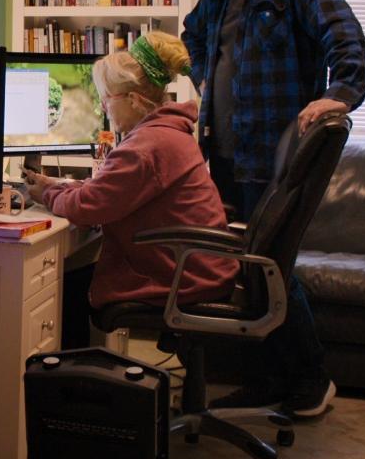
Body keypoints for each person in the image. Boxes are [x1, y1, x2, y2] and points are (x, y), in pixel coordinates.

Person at [182, 0, 365, 418]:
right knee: (246, 272)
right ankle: (267, 380)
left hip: (274, 160)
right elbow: (192, 32)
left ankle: (312, 380)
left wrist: (342, 92)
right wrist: (202, 75)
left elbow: (345, 37)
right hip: (224, 157)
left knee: (271, 268)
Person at [23, 31, 237, 343]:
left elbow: (87, 207)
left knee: (67, 285)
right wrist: (59, 185)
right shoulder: (167, 133)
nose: (103, 107)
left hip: (185, 278)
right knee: (76, 275)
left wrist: (47, 194)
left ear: (135, 100)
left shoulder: (147, 146)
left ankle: (74, 382)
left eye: (107, 98)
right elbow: (110, 189)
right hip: (197, 267)